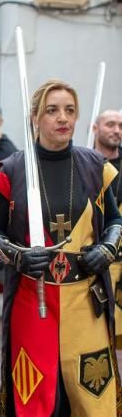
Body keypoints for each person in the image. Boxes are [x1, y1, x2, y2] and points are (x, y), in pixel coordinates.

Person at [0, 79, 122, 417]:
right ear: (36, 117)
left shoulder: (98, 169)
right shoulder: (10, 171)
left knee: (68, 396)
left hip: (83, 303)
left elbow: (119, 218)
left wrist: (107, 245)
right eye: (52, 110)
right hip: (33, 306)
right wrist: (19, 256)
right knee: (36, 400)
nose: (62, 118)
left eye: (69, 109)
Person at [93, 109, 122, 347]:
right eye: (110, 124)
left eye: (120, 126)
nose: (116, 130)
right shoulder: (85, 164)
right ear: (95, 128)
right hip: (98, 262)